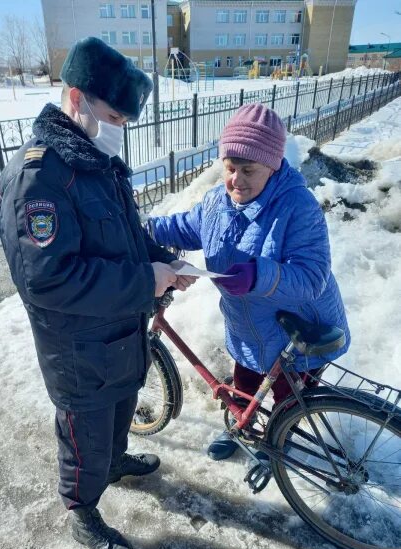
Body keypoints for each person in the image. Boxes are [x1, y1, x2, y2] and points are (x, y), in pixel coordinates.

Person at [0, 37, 195, 549]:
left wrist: (164, 264)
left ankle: (117, 460)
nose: (120, 128)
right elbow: (48, 280)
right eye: (113, 115)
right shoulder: (41, 176)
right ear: (77, 98)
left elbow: (125, 236)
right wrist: (141, 282)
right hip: (80, 350)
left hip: (120, 334)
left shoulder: (95, 161)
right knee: (85, 434)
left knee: (120, 412)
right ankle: (82, 508)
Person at [147, 102, 350, 461]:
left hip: (296, 333)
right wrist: (141, 230)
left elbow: (312, 276)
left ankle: (278, 449)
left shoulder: (298, 207)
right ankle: (243, 429)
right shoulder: (216, 202)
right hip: (249, 330)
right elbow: (184, 227)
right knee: (245, 388)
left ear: (272, 167)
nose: (236, 180)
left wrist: (260, 275)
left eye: (248, 170)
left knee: (288, 404)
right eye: (229, 168)